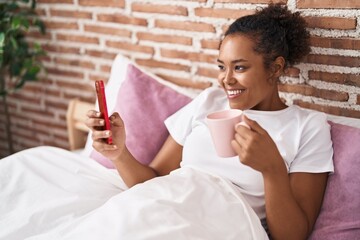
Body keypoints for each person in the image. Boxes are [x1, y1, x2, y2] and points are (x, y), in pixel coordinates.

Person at [86, 3, 333, 239]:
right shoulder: (209, 101)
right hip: (163, 207)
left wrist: (273, 170)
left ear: (275, 68)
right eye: (221, 67)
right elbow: (152, 181)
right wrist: (119, 153)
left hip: (219, 226)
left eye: (239, 68)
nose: (226, 80)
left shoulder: (308, 127)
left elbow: (293, 236)